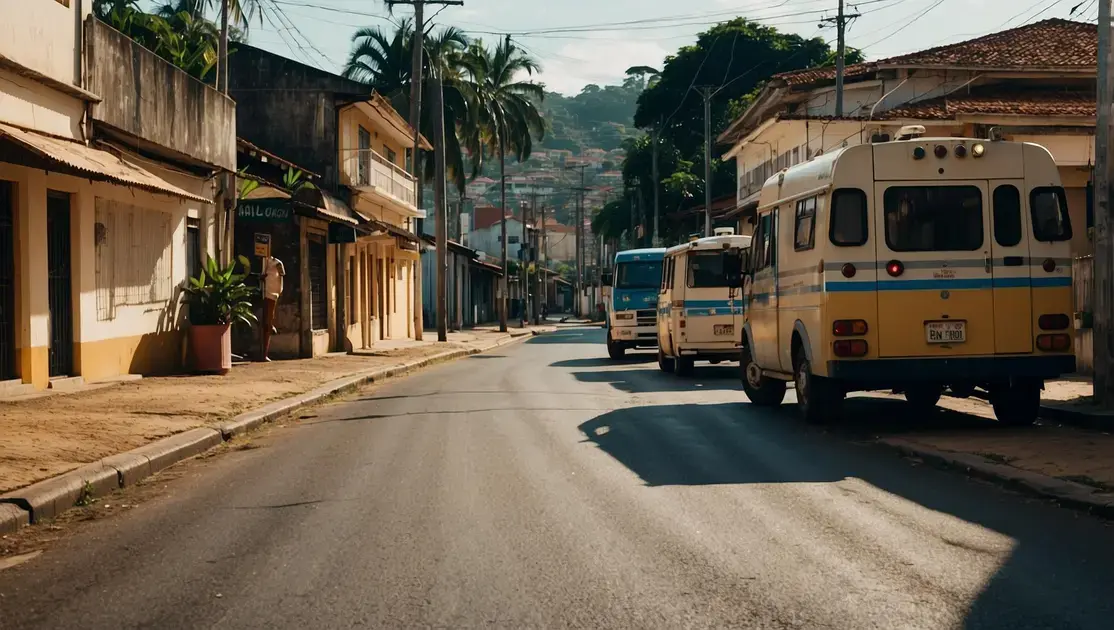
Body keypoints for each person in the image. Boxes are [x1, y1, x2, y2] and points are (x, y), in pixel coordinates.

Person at [260, 255, 285, 361]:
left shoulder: (277, 263)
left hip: (271, 294)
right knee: (264, 322)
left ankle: (264, 353)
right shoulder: (262, 262)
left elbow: (282, 275)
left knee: (267, 323)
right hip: (262, 293)